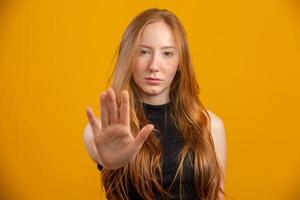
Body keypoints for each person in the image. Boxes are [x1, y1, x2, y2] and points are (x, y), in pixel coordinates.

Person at [83, 8, 227, 200]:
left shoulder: (210, 126)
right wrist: (108, 160)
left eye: (167, 53)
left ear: (180, 62)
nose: (153, 66)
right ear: (128, 57)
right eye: (143, 52)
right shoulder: (101, 130)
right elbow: (97, 148)